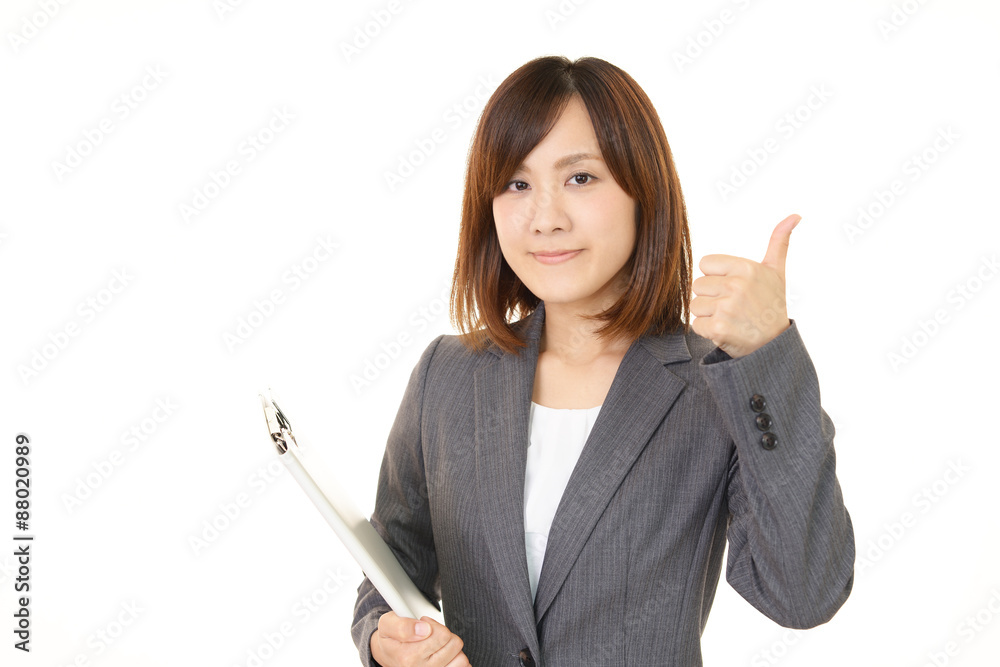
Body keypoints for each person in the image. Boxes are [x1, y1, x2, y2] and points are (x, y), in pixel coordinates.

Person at [352, 54, 855, 667]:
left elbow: (803, 594)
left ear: (644, 191)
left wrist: (766, 359)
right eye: (516, 184)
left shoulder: (713, 386)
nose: (545, 219)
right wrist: (383, 639)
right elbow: (392, 566)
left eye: (581, 178)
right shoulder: (448, 374)